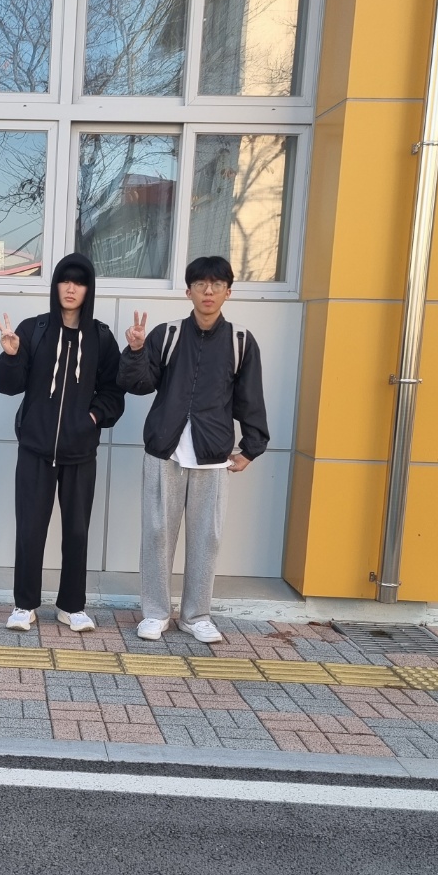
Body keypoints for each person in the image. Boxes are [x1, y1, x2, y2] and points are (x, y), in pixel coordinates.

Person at [118, 255, 269, 644]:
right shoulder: (167, 334)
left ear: (228, 292)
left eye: (217, 284)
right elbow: (138, 385)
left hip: (213, 456)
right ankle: (155, 613)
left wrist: (251, 447)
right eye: (201, 284)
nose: (208, 291)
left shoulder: (240, 341)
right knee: (156, 535)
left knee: (206, 540)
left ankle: (196, 616)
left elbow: (250, 398)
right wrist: (136, 350)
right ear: (188, 291)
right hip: (164, 452)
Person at [0, 253, 125, 632]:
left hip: (80, 452)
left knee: (77, 532)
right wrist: (11, 356)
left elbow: (114, 393)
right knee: (30, 529)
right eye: (65, 280)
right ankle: (24, 605)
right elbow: (7, 385)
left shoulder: (101, 338)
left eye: (79, 282)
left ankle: (72, 606)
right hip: (35, 449)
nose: (71, 288)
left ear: (88, 289)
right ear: (55, 286)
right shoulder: (34, 330)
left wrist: (91, 419)